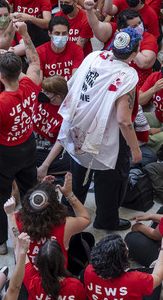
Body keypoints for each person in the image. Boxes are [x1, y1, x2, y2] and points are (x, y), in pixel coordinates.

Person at [59, 29, 143, 231]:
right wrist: (135, 149)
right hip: (107, 134)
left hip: (79, 125)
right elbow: (123, 120)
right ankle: (106, 220)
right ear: (134, 52)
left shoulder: (94, 56)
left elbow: (72, 84)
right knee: (110, 180)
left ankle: (66, 213)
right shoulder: (128, 74)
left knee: (78, 171)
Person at [0, 26, 41, 253]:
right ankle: (35, 231)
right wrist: (25, 33)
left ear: (0, 75)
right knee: (30, 191)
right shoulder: (30, 85)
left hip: (4, 155)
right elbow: (34, 61)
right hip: (27, 145)